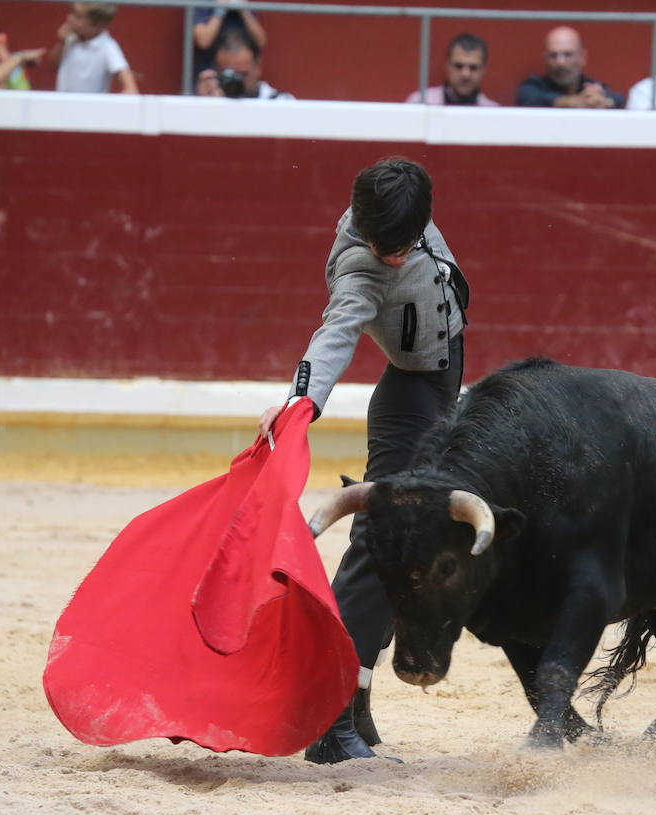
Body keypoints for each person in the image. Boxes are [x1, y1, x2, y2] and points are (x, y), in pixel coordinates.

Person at [257, 158, 470, 765]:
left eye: (402, 245)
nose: (394, 257)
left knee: (403, 548)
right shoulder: (361, 265)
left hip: (435, 389)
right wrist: (302, 400)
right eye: (384, 247)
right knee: (382, 545)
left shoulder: (399, 200)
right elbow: (336, 332)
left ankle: (356, 703)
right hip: (414, 394)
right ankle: (329, 721)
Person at [516, 26, 624, 109]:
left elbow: (618, 99)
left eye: (568, 55)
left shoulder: (590, 86)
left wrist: (601, 101)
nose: (560, 62)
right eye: (553, 55)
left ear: (582, 57)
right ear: (545, 59)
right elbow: (529, 98)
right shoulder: (533, 86)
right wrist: (571, 102)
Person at [47, 2, 138, 95]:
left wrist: (129, 90)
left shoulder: (107, 46)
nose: (70, 18)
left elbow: (128, 81)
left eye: (78, 17)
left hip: (90, 107)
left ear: (97, 25)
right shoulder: (71, 39)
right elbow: (54, 63)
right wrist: (61, 42)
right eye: (72, 13)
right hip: (63, 103)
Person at [405, 33, 500, 107]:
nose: (465, 74)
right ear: (447, 66)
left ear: (483, 70)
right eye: (458, 66)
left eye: (473, 68)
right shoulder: (419, 103)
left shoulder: (494, 113)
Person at [195, 28, 292, 100]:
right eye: (230, 75)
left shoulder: (280, 102)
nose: (237, 81)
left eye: (242, 74)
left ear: (257, 66)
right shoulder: (210, 102)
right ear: (216, 71)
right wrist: (203, 105)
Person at [191, 3, 267, 81]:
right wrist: (220, 10)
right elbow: (203, 42)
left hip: (243, 77)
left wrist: (244, 11)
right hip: (211, 73)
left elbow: (260, 42)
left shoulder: (244, 4)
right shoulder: (203, 4)